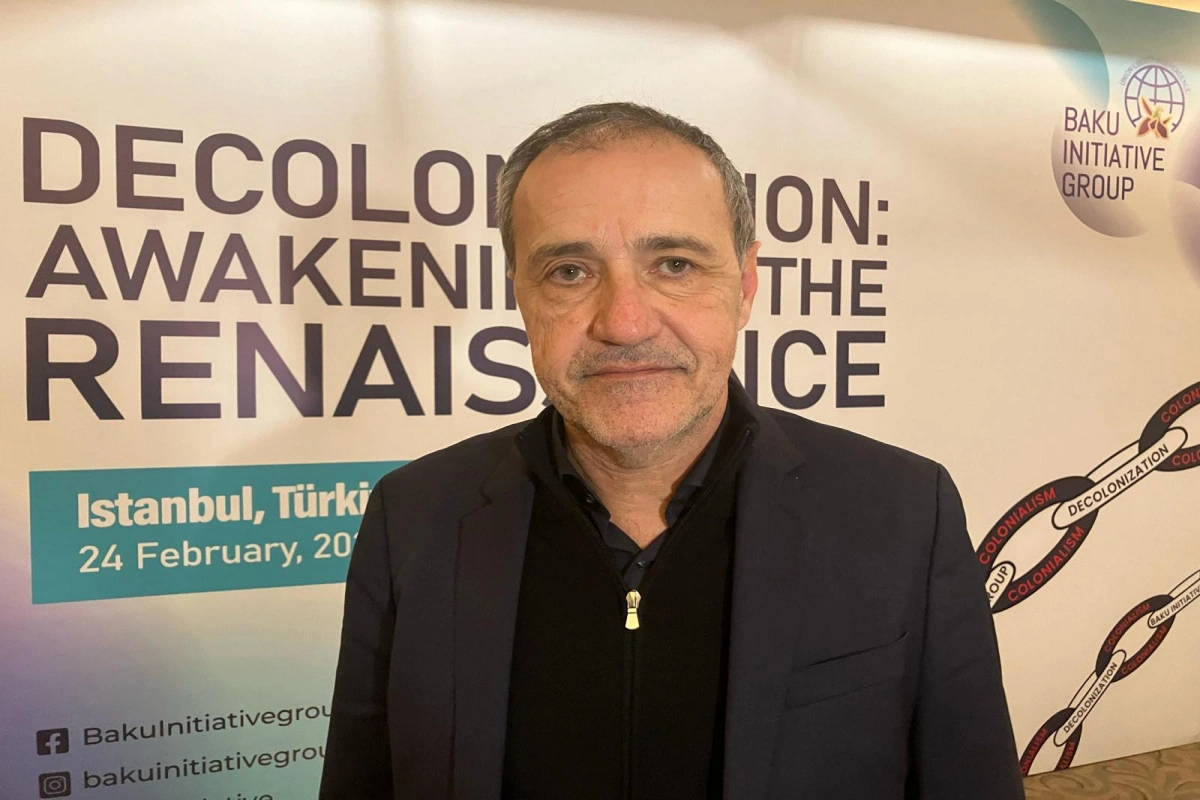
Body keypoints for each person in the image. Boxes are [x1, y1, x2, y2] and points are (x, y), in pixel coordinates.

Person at [320, 102, 1024, 800]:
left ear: (744, 286)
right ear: (522, 296)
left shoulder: (904, 513)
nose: (625, 323)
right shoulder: (412, 516)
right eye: (569, 271)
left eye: (675, 264)